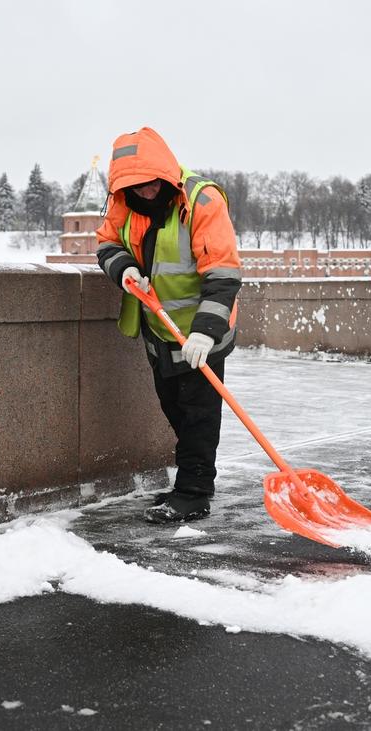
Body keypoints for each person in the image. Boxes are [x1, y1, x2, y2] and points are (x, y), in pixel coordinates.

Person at [95, 127, 242, 523]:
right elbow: (107, 244)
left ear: (164, 174)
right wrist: (125, 270)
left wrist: (205, 332)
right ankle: (188, 480)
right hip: (159, 328)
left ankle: (194, 492)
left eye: (149, 184)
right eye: (134, 187)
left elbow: (223, 272)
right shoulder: (123, 202)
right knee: (173, 406)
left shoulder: (202, 200)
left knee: (199, 412)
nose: (144, 193)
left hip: (200, 330)